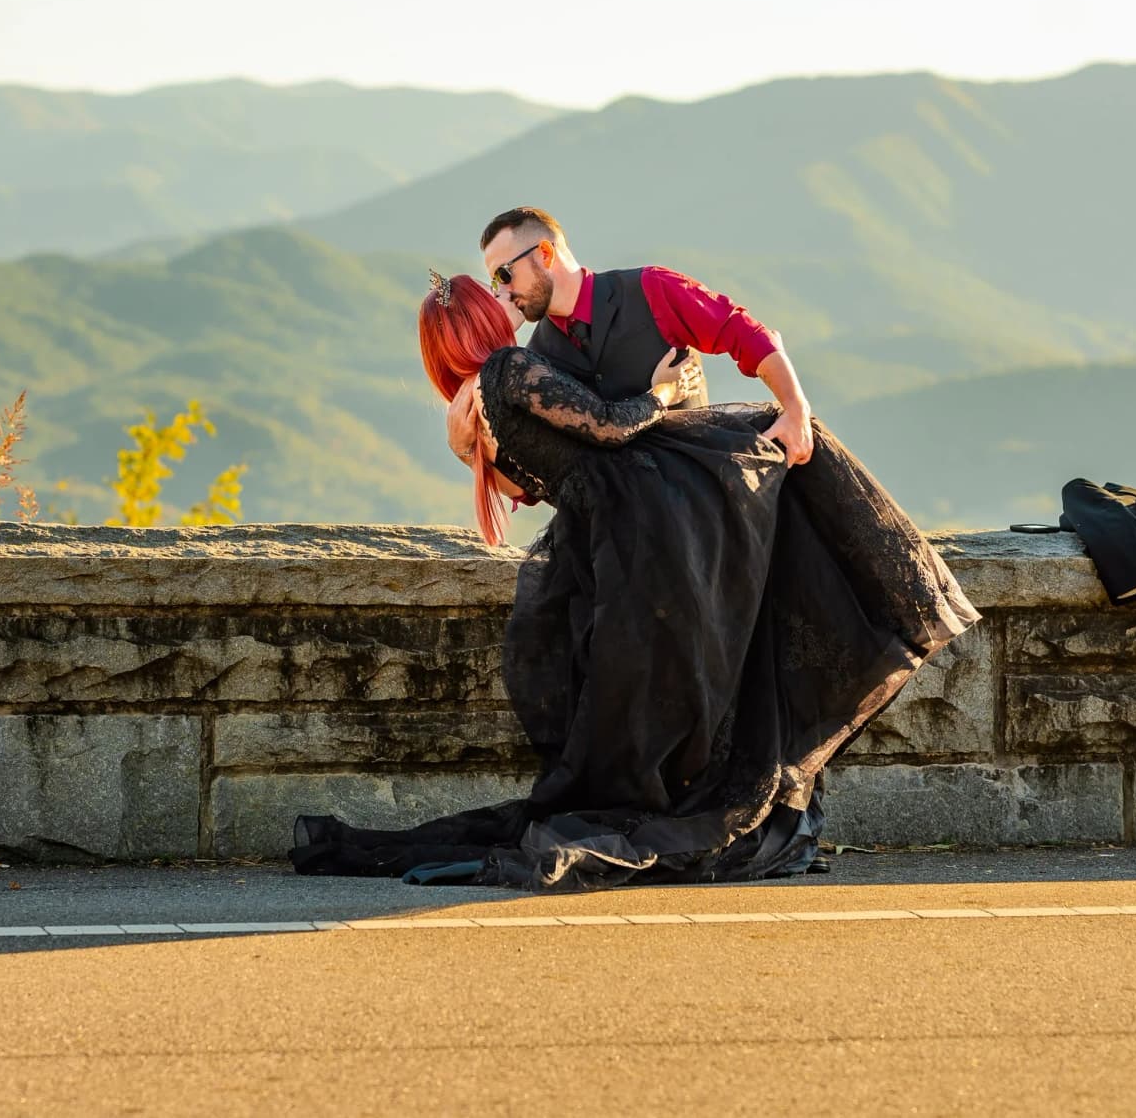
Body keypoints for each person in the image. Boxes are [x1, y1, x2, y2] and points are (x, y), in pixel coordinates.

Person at [289, 274, 981, 891]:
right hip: (647, 527)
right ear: (479, 325)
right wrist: (665, 389)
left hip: (609, 553)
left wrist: (464, 445)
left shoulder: (469, 416)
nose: (507, 298)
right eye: (493, 292)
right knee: (777, 516)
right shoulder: (509, 367)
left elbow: (533, 479)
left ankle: (719, 798)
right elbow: (613, 429)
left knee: (678, 701)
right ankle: (753, 798)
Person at [452, 205, 816, 470]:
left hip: (707, 501)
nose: (502, 290)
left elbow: (744, 334)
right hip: (622, 539)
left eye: (504, 274)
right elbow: (536, 480)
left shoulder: (652, 288)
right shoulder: (536, 361)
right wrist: (469, 452)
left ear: (545, 254)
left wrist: (796, 409)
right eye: (495, 282)